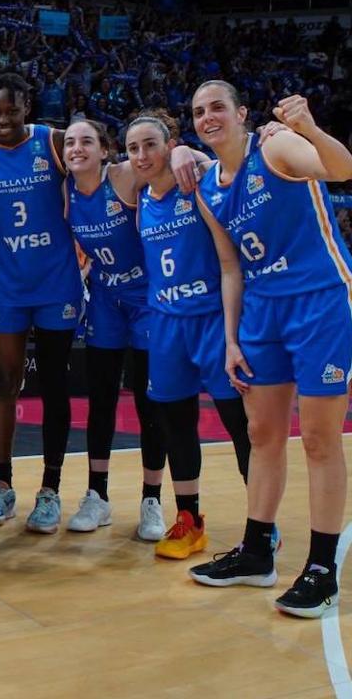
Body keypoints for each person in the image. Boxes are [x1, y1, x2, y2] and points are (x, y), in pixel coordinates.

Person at [188, 86, 352, 618]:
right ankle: (258, 553)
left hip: (320, 300)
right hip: (261, 311)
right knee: (262, 435)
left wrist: (307, 126)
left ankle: (323, 571)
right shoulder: (207, 188)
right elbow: (230, 267)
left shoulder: (276, 148)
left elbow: (341, 168)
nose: (208, 117)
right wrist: (232, 339)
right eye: (198, 111)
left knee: (321, 441)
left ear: (241, 114)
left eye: (217, 107)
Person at [0, 74, 82, 534]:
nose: (2, 119)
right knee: (5, 381)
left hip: (56, 284)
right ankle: (2, 486)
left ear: (28, 107)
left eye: (11, 110)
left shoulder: (54, 142)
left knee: (53, 384)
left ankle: (49, 490)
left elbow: (98, 155)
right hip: (7, 284)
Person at [127, 108, 253, 560]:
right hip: (165, 326)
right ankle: (190, 520)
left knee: (240, 426)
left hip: (213, 323)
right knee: (176, 426)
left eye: (151, 145)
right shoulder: (140, 198)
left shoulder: (197, 181)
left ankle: (262, 525)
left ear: (169, 146)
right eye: (134, 148)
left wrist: (187, 151)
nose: (142, 155)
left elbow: (227, 258)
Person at [62, 117, 177, 539]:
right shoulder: (65, 189)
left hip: (146, 297)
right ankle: (97, 496)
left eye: (87, 141)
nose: (77, 149)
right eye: (70, 142)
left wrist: (181, 150)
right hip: (106, 298)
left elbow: (174, 160)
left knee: (151, 404)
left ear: (105, 149)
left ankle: (151, 499)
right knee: (101, 400)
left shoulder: (125, 177)